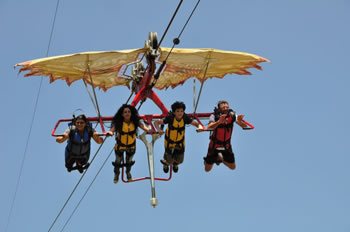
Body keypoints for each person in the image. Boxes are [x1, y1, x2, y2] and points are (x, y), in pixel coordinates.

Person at [154, 101, 203, 173]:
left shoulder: (185, 118)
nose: (180, 113)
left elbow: (196, 124)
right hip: (169, 142)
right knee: (169, 160)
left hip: (180, 142)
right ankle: (166, 163)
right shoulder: (170, 118)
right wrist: (158, 130)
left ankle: (175, 164)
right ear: (174, 112)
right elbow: (156, 122)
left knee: (180, 160)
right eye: (178, 111)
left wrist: (200, 127)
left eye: (181, 111)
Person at [107, 104, 150, 183]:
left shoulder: (135, 122)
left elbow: (144, 128)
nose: (127, 113)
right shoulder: (119, 123)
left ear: (131, 113)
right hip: (120, 146)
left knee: (129, 161)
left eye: (128, 112)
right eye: (125, 112)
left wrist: (149, 130)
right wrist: (110, 132)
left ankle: (128, 172)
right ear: (122, 114)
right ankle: (116, 174)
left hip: (131, 146)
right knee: (118, 161)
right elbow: (112, 129)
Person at [203, 100, 248, 172]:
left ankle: (220, 159)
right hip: (214, 145)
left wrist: (239, 121)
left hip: (226, 145)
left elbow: (244, 126)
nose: (225, 107)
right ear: (219, 108)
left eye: (227, 106)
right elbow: (209, 127)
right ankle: (214, 159)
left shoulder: (232, 115)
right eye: (223, 106)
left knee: (233, 167)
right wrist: (218, 122)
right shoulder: (214, 116)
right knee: (207, 169)